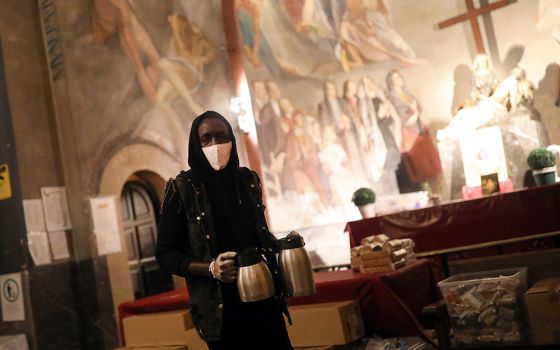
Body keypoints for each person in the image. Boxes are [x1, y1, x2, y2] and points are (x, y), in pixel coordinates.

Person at [156, 111, 293, 349]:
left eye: (222, 137)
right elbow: (165, 255)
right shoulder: (181, 189)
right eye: (206, 139)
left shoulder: (246, 180)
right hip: (221, 307)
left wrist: (284, 244)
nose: (215, 145)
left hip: (263, 295)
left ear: (232, 139)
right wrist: (210, 268)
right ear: (195, 145)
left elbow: (258, 235)